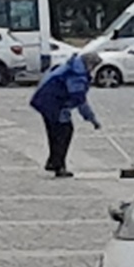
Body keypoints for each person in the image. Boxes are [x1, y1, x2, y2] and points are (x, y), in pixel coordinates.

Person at [29, 49, 101, 177]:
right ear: (89, 64)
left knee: (55, 132)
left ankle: (53, 162)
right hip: (52, 103)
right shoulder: (76, 75)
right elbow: (79, 99)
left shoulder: (71, 67)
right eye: (94, 66)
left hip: (43, 101)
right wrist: (92, 119)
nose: (93, 70)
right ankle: (59, 165)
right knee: (64, 132)